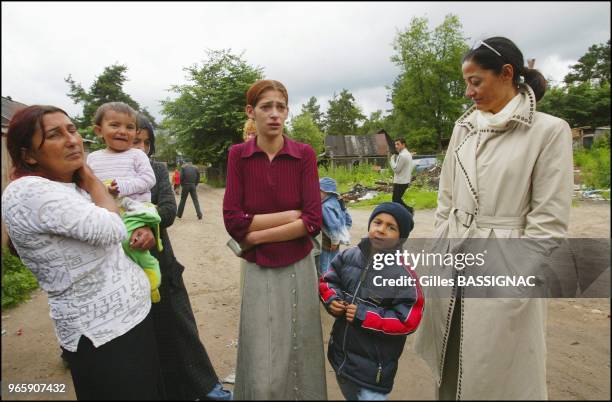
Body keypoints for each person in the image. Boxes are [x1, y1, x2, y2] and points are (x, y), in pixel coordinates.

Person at [413, 37, 573, 400]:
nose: (468, 92)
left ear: (506, 74)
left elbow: (549, 222)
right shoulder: (464, 129)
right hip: (453, 259)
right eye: (466, 82)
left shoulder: (548, 131)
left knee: (496, 376)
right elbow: (446, 198)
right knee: (450, 366)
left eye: (476, 81)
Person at [2, 105, 163, 400]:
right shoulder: (29, 191)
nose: (73, 140)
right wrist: (90, 178)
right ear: (28, 154)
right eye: (55, 134)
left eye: (72, 130)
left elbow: (128, 210)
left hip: (132, 319)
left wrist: (145, 228)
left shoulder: (67, 187)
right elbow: (113, 229)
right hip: (103, 336)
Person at [223, 79, 327, 400]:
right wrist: (289, 216)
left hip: (299, 265)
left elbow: (313, 221)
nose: (274, 114)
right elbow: (232, 221)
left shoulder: (304, 155)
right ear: (250, 112)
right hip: (258, 268)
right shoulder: (239, 155)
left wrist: (254, 237)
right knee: (263, 352)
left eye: (280, 107)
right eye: (266, 107)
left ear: (287, 112)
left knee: (300, 348)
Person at [133, 115, 232, 401]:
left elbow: (167, 210)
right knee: (141, 339)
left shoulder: (157, 170)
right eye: (134, 141)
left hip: (162, 265)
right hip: (122, 272)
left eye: (146, 142)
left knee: (180, 328)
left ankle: (208, 390)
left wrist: (144, 222)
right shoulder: (103, 172)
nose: (140, 148)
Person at [320, 202, 424, 400]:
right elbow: (328, 280)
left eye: (391, 227)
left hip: (373, 374)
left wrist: (364, 315)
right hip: (341, 359)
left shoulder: (403, 275)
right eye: (377, 222)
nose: (381, 230)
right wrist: (332, 299)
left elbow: (408, 320)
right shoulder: (348, 256)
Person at [87, 102, 161, 303]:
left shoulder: (137, 155)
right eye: (114, 125)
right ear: (98, 130)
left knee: (130, 243)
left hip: (136, 210)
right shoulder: (92, 158)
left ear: (135, 131)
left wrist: (121, 187)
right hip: (106, 211)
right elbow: (86, 186)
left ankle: (150, 274)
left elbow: (148, 180)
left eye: (129, 127)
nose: (122, 131)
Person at [319, 177, 352, 275]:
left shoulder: (325, 207)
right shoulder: (336, 202)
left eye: (319, 191)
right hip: (337, 236)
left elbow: (333, 225)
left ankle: (326, 282)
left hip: (329, 239)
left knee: (325, 263)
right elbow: (346, 219)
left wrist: (335, 241)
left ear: (327, 192)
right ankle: (334, 278)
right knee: (334, 260)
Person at [389, 138, 415, 215]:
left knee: (396, 200)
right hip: (405, 180)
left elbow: (396, 169)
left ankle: (409, 210)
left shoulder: (402, 155)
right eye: (395, 144)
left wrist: (391, 160)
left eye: (398, 144)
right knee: (397, 199)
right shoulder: (408, 154)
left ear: (403, 145)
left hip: (400, 181)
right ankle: (406, 212)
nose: (396, 146)